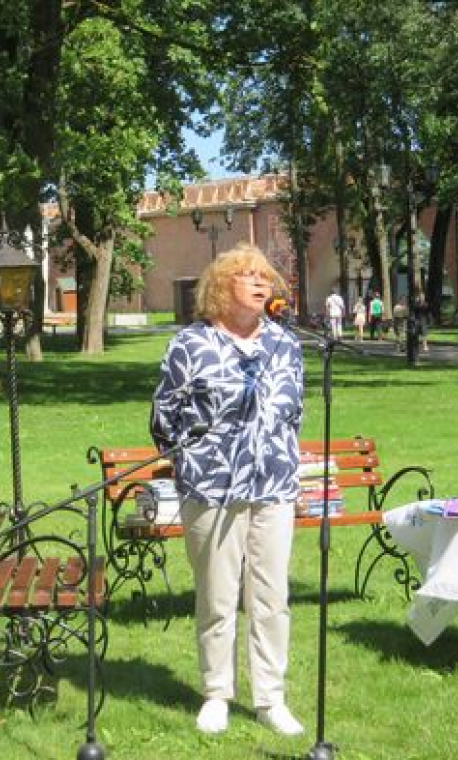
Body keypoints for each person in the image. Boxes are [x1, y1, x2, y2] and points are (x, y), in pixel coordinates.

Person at [150, 242, 305, 737]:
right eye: (248, 274)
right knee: (217, 597)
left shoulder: (286, 344)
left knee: (271, 596)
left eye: (266, 276)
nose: (261, 282)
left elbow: (293, 412)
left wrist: (282, 458)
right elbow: (163, 417)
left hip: (274, 486)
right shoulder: (190, 344)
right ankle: (216, 693)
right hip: (211, 489)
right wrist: (193, 461)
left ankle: (270, 699)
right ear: (222, 285)